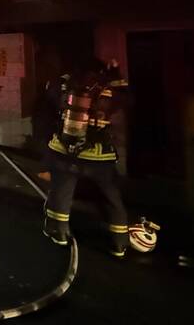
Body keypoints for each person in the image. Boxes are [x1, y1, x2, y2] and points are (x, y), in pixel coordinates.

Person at [43, 57, 130, 257]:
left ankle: (59, 233)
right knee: (111, 198)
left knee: (61, 192)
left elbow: (50, 96)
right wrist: (114, 74)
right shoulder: (108, 88)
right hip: (99, 154)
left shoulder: (65, 85)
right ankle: (119, 243)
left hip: (65, 151)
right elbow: (127, 99)